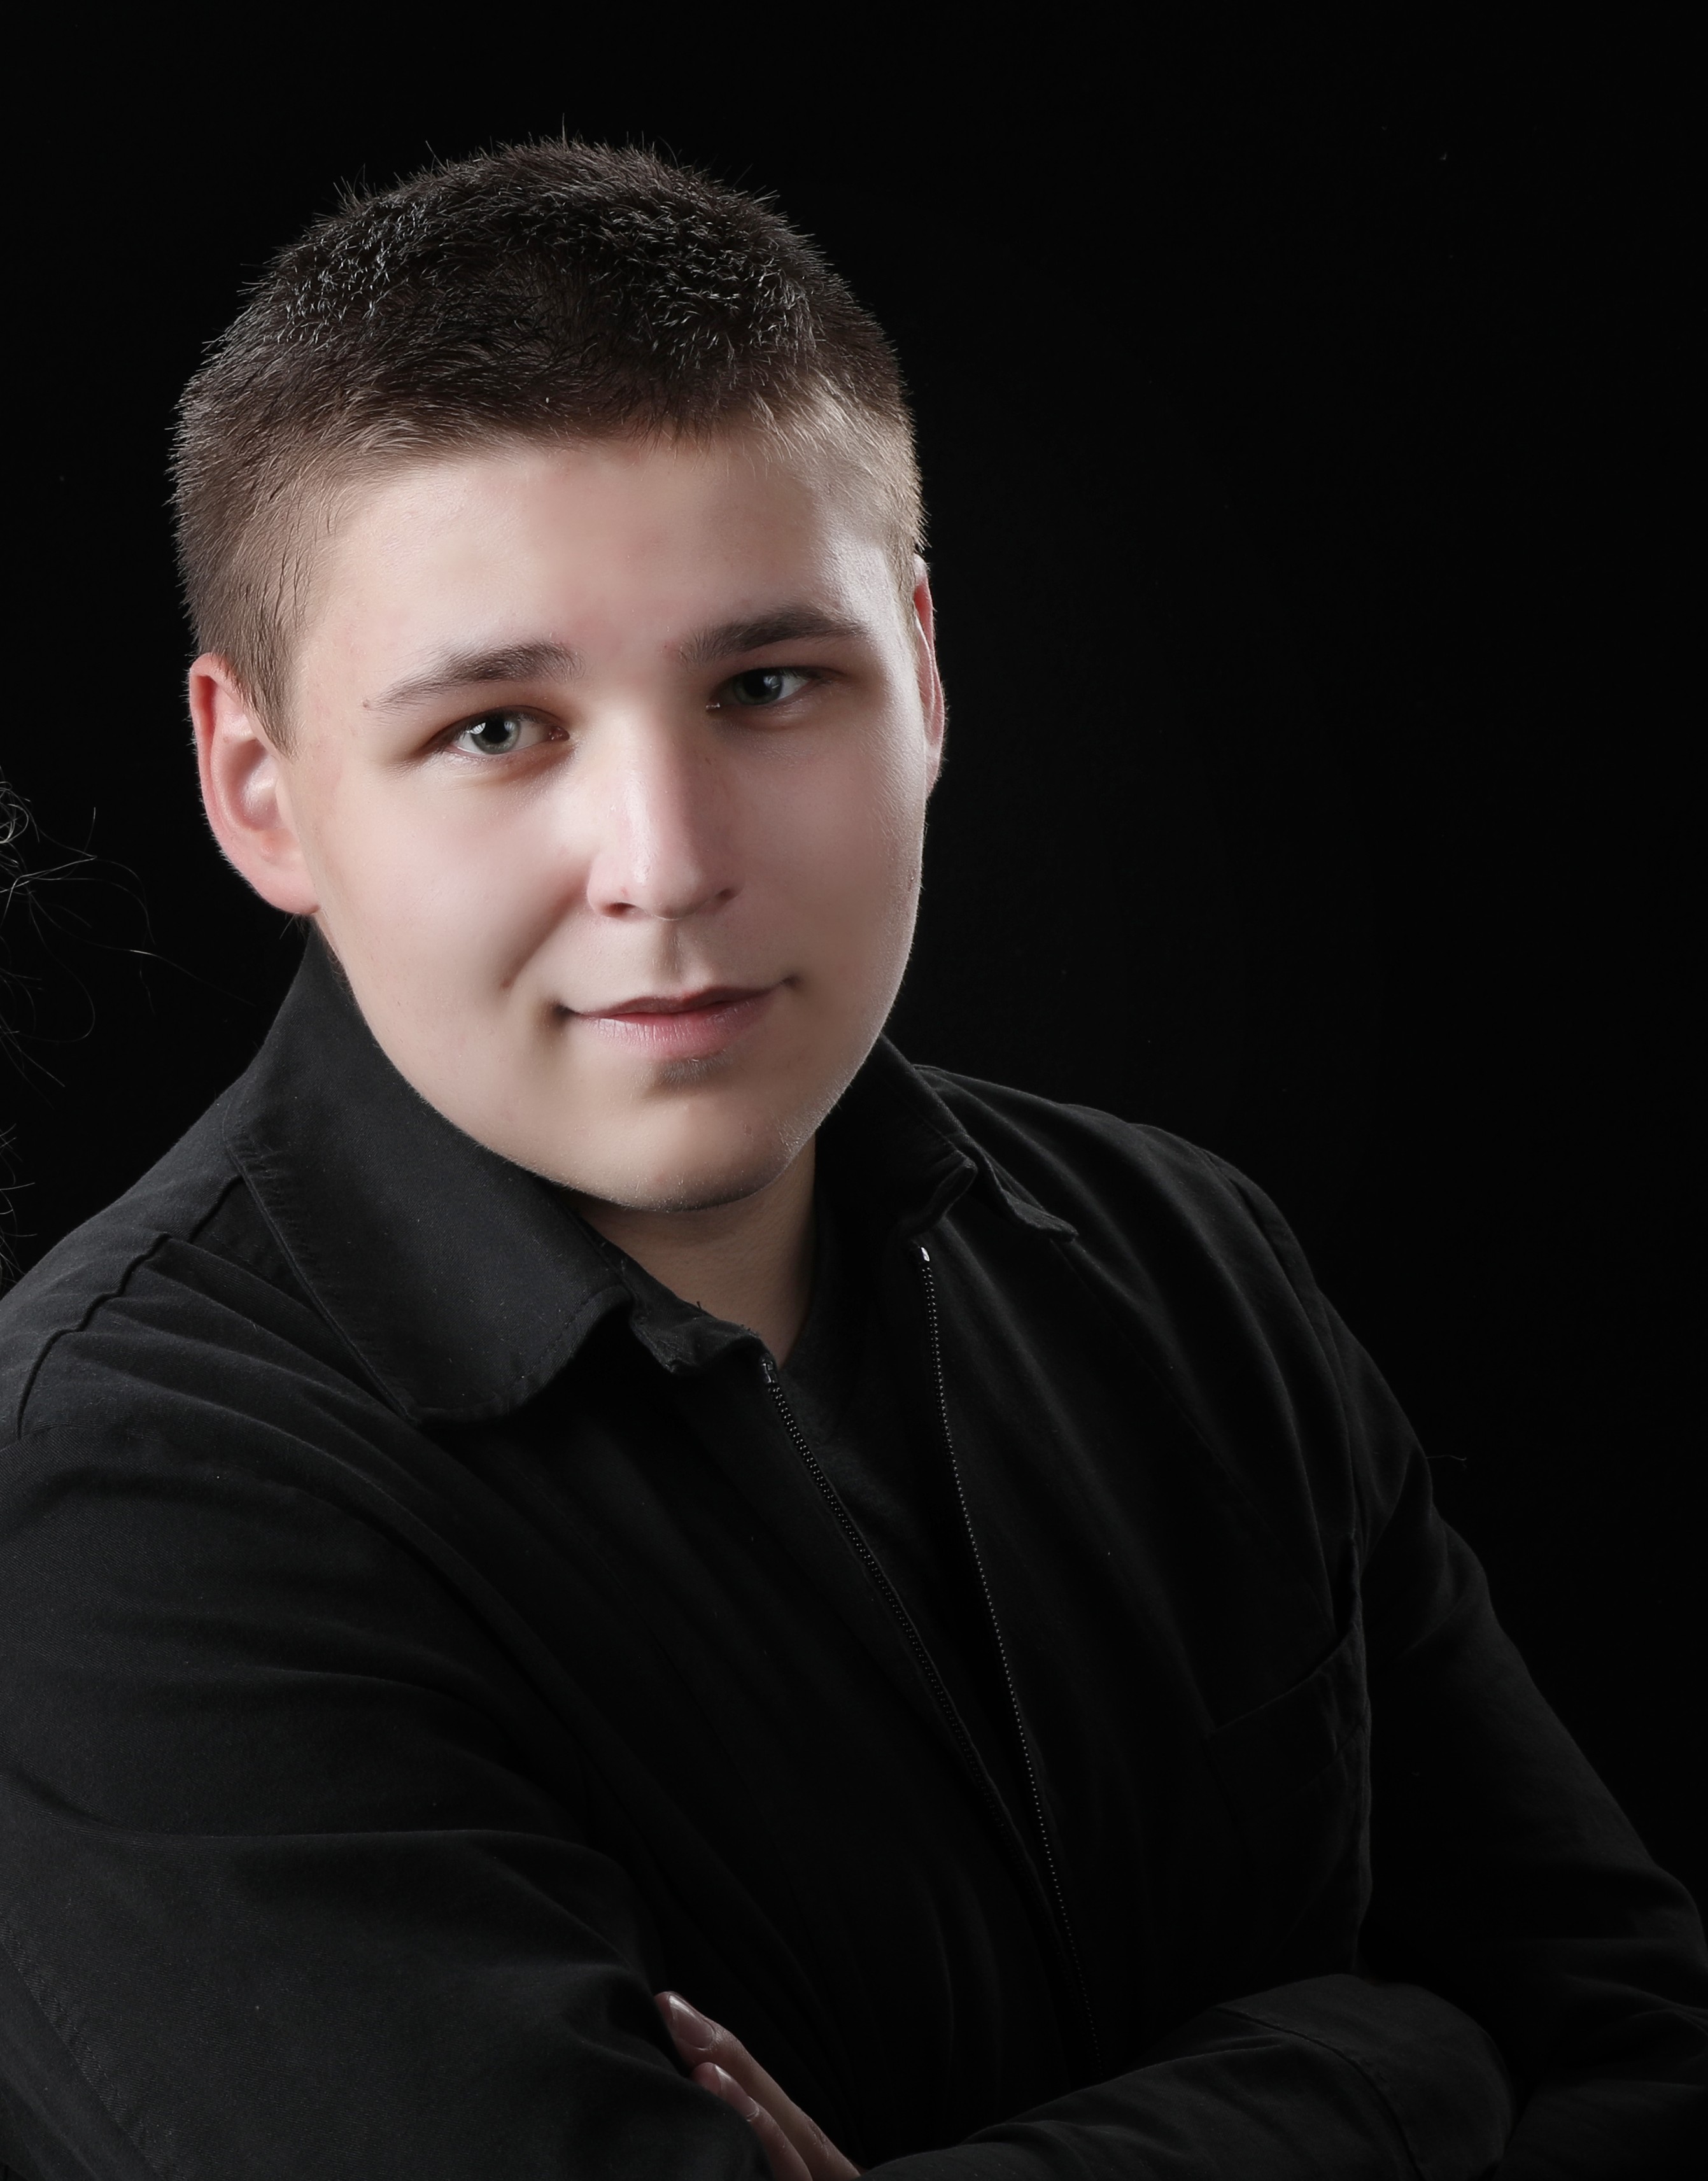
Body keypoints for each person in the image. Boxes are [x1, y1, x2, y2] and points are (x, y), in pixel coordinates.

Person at [0, 140, 1701, 2181]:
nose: (669, 864)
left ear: (922, 673)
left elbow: (1629, 2041)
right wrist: (1386, 2064)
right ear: (261, 793)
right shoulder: (94, 1517)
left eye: (768, 684)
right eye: (495, 730)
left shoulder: (1183, 1260)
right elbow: (1502, 2040)